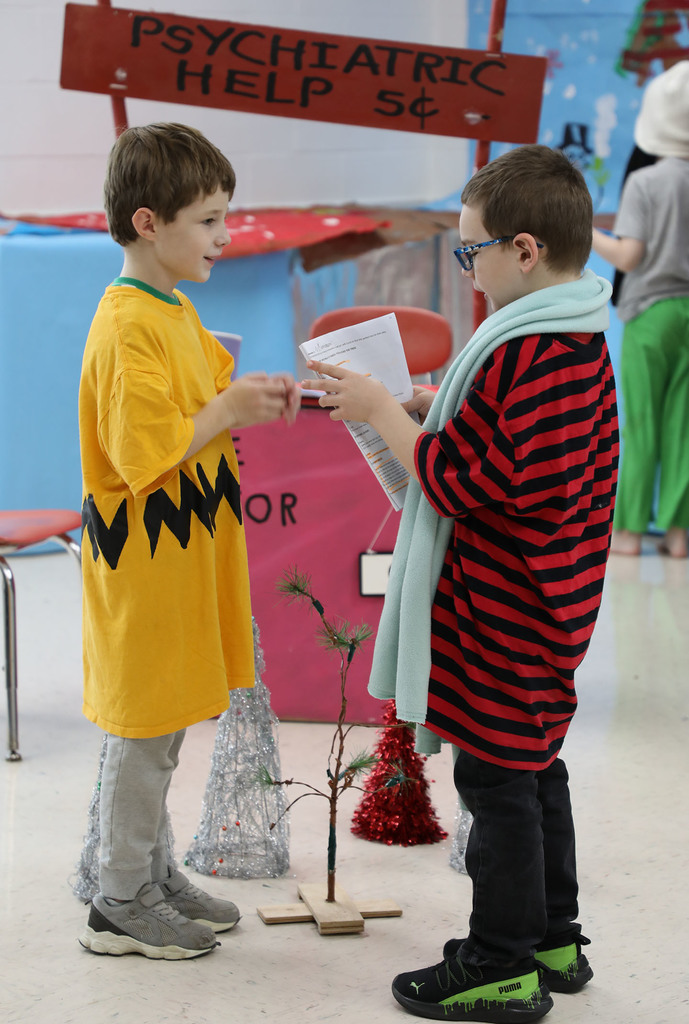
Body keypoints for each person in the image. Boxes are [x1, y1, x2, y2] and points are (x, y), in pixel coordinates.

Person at [302, 144, 619, 1023]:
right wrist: (429, 407)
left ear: (523, 249)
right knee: (531, 770)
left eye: (469, 251)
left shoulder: (538, 351)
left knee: (496, 785)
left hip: (510, 612)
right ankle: (553, 936)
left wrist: (379, 416)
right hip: (536, 605)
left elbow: (469, 485)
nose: (466, 270)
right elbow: (502, 446)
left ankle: (501, 963)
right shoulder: (563, 331)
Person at [78, 122, 300, 960]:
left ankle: (152, 869)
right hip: (145, 572)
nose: (224, 235)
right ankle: (118, 898)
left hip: (184, 564)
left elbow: (211, 391)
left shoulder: (171, 309)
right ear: (148, 222)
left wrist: (258, 394)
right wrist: (230, 409)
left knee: (165, 727)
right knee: (142, 736)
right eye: (208, 220)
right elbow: (146, 451)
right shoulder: (126, 324)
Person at [592, 60, 689, 558]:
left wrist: (587, 233)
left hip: (650, 314)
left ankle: (628, 533)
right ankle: (677, 535)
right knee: (682, 426)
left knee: (643, 422)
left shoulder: (646, 183)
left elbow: (629, 256)